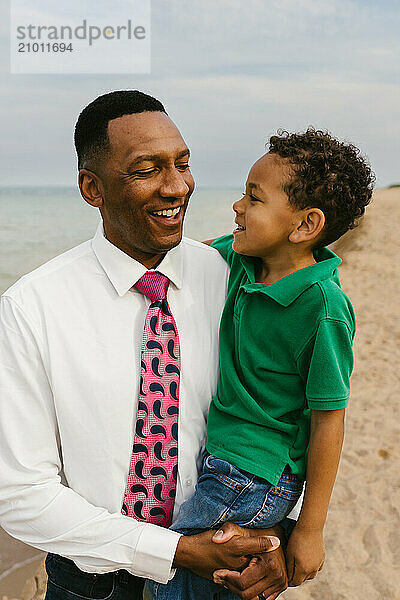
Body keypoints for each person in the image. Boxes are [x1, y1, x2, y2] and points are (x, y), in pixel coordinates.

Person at [0, 90, 293, 600]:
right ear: (92, 188)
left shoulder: (229, 279)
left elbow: (285, 409)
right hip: (92, 585)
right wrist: (172, 551)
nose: (176, 187)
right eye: (147, 170)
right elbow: (21, 492)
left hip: (221, 574)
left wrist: (280, 535)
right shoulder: (31, 307)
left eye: (183, 164)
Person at [143, 128, 375, 599]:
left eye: (254, 197)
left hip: (254, 476)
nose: (237, 206)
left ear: (306, 225)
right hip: (224, 460)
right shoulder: (238, 258)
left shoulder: (322, 307)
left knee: (172, 572)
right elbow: (177, 262)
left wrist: (310, 528)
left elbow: (329, 420)